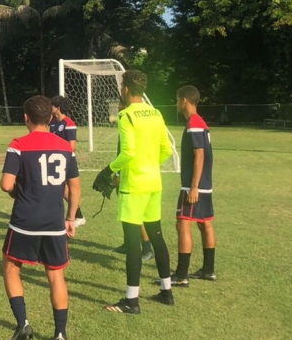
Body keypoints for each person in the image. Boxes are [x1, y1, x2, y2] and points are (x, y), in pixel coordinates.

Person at [1, 95, 81, 340]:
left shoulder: (18, 144)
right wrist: (71, 218)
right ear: (50, 118)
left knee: (11, 267)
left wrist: (17, 190)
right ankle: (60, 333)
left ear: (26, 118)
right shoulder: (65, 147)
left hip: (25, 219)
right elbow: (75, 187)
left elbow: (6, 184)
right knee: (56, 274)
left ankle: (23, 323)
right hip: (55, 220)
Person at [97, 70, 175, 314]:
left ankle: (131, 300)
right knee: (157, 236)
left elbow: (128, 152)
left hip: (134, 186)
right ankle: (166, 291)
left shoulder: (126, 115)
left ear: (126, 89)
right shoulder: (156, 113)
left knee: (133, 244)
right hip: (154, 183)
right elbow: (167, 151)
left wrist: (108, 170)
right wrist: (151, 164)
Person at [170, 85, 216, 284]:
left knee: (183, 223)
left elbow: (200, 154)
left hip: (194, 185)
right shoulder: (200, 122)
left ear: (184, 101)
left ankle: (181, 275)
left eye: (177, 99)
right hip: (205, 183)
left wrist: (194, 186)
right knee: (205, 223)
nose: (176, 103)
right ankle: (208, 270)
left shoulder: (194, 123)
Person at [50, 96, 87, 227]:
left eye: (52, 105)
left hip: (65, 161)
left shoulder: (69, 124)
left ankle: (78, 216)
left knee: (66, 191)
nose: (50, 108)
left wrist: (61, 157)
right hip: (54, 160)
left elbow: (72, 146)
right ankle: (78, 216)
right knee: (61, 190)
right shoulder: (53, 122)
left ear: (58, 108)